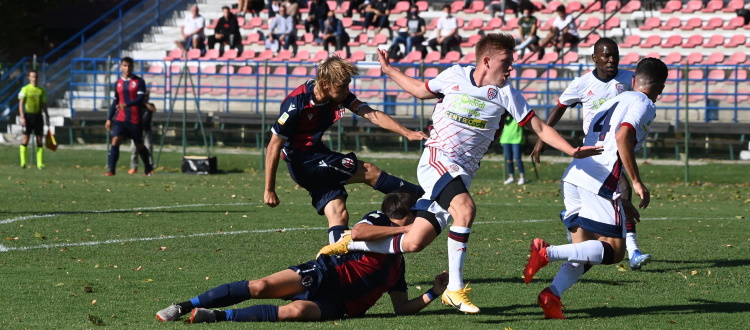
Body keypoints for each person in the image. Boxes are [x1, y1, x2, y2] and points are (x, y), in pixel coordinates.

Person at [318, 33, 603, 314]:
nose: (511, 68)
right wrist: (389, 70)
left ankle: (350, 241)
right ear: (487, 61)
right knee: (465, 209)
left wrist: (570, 150)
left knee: (415, 242)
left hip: (461, 175)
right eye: (506, 62)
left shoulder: (506, 94)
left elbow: (539, 128)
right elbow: (419, 90)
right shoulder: (454, 75)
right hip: (437, 160)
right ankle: (454, 288)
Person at [156, 191, 448, 323]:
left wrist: (433, 293)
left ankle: (217, 316)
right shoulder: (377, 220)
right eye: (411, 220)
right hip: (325, 272)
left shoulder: (397, 264)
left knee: (295, 313)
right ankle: (182, 306)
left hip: (338, 303)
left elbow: (400, 309)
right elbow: (357, 234)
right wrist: (409, 228)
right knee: (260, 286)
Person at [523, 57, 668, 319]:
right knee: (613, 252)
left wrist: (621, 201)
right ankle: (546, 252)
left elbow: (606, 143)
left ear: (634, 81)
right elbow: (622, 136)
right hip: (599, 181)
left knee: (587, 252)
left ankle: (552, 294)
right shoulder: (644, 103)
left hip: (576, 176)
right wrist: (635, 182)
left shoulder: (615, 99)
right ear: (661, 87)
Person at [264, 55, 427, 245]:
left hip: (317, 157)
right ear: (325, 83)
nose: (346, 91)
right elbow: (274, 145)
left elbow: (372, 115)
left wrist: (406, 133)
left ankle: (336, 262)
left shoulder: (339, 95)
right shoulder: (296, 105)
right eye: (342, 86)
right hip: (305, 162)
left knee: (338, 212)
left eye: (348, 85)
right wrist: (269, 190)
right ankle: (425, 197)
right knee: (369, 172)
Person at [530, 38, 652, 270]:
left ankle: (578, 221)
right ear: (594, 58)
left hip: (616, 149)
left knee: (617, 193)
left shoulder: (628, 80)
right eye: (606, 55)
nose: (611, 60)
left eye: (614, 55)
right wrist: (541, 139)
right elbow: (560, 107)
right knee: (622, 189)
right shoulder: (582, 83)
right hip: (593, 150)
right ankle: (632, 249)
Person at [105, 57, 153, 176]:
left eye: (130, 66)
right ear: (121, 66)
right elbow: (115, 101)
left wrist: (127, 105)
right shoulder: (118, 83)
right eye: (125, 66)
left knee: (139, 145)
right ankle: (111, 170)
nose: (127, 68)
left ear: (132, 67)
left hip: (135, 119)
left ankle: (148, 168)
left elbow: (140, 99)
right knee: (115, 140)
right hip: (120, 119)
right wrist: (109, 118)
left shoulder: (139, 81)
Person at [17, 70, 49, 169]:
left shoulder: (40, 90)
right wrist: (22, 117)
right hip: (28, 116)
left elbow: (43, 104)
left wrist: (47, 116)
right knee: (25, 138)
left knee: (39, 140)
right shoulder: (25, 89)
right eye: (32, 77)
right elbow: (21, 104)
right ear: (29, 78)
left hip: (38, 116)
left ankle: (40, 164)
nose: (34, 79)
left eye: (35, 77)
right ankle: (23, 162)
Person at [128, 90, 155, 175]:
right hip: (136, 130)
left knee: (148, 148)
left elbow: (153, 109)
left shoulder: (150, 105)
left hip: (146, 130)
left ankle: (149, 167)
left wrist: (145, 102)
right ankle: (133, 167)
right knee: (134, 149)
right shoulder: (137, 106)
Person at [501, 116, 525, 185]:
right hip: (506, 139)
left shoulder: (517, 116)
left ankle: (522, 177)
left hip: (516, 139)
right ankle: (511, 177)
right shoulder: (506, 117)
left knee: (517, 159)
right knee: (509, 160)